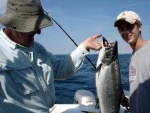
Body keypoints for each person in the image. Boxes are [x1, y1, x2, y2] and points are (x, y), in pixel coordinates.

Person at [0, 0, 102, 113]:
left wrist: (84, 46)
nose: (38, 32)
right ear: (14, 24)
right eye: (33, 26)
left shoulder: (37, 48)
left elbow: (59, 69)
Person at [114, 11, 150, 113]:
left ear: (140, 26)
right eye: (121, 29)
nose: (125, 32)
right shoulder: (134, 54)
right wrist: (130, 101)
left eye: (129, 26)